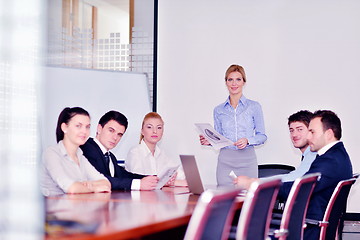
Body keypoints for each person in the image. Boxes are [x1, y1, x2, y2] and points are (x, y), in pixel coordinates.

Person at [236, 110, 353, 240]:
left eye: (312, 132)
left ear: (329, 134)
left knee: (243, 229)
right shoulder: (336, 156)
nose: (308, 137)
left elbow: (298, 190)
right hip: (311, 225)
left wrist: (255, 184)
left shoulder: (330, 161)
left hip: (307, 229)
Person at [200, 64, 267, 186]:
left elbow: (262, 136)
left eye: (238, 79)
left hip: (247, 161)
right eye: (230, 79)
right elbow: (219, 138)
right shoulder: (218, 110)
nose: (234, 83)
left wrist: (248, 140)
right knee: (224, 200)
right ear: (226, 83)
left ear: (244, 82)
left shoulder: (254, 107)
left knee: (248, 201)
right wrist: (210, 141)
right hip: (225, 161)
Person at [40, 107, 111, 196]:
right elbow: (71, 188)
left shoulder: (80, 155)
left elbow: (106, 183)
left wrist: (84, 186)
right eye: (78, 126)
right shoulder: (51, 153)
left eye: (87, 127)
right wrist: (93, 187)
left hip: (77, 206)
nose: (84, 131)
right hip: (56, 208)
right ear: (64, 127)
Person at [80, 110, 158, 191]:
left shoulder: (111, 157)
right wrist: (138, 184)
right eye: (111, 131)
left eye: (119, 134)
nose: (115, 138)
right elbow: (100, 180)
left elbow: (125, 175)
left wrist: (154, 180)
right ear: (99, 128)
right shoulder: (86, 147)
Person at [125, 112, 187, 186]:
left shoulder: (161, 154)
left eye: (159, 128)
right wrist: (167, 182)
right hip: (139, 196)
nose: (155, 131)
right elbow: (141, 181)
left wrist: (171, 181)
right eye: (149, 127)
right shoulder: (135, 152)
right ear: (142, 131)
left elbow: (182, 176)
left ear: (162, 132)